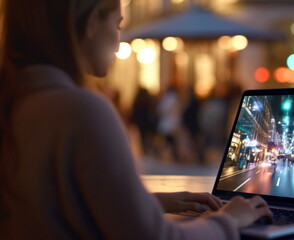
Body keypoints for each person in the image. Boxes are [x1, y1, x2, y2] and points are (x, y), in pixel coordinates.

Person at [0, 0, 272, 239]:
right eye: (118, 24)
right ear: (93, 21)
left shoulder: (18, 99)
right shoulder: (81, 110)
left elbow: (51, 206)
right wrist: (229, 220)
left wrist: (145, 203)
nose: (118, 42)